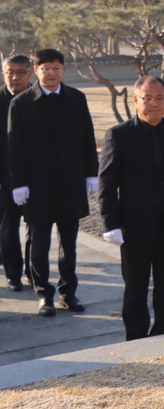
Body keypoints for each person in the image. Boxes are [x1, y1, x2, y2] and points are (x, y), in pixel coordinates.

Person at [98, 76, 164, 340]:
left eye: (160, 98)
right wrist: (110, 224)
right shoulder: (119, 135)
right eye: (148, 98)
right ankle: (135, 339)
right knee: (135, 289)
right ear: (136, 100)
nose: (154, 103)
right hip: (134, 227)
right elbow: (107, 183)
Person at [8, 49, 99, 316]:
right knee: (39, 245)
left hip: (70, 184)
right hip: (37, 187)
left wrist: (91, 174)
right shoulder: (22, 103)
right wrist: (18, 183)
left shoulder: (76, 98)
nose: (52, 73)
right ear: (36, 70)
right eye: (46, 68)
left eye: (57, 68)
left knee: (69, 244)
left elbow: (87, 137)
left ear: (63, 70)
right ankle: (44, 295)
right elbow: (15, 146)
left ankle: (68, 293)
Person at [0, 54, 34, 291]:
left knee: (36, 227)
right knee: (8, 227)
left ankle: (34, 271)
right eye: (9, 72)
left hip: (36, 175)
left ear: (30, 72)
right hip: (5, 176)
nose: (15, 77)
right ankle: (13, 274)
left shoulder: (39, 98)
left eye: (20, 72)